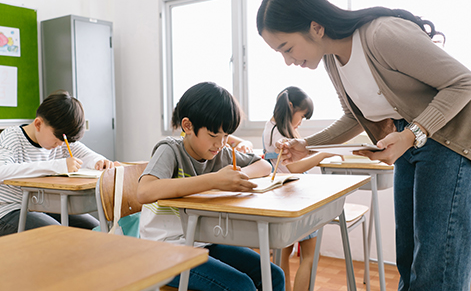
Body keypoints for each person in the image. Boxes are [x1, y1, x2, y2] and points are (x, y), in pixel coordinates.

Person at [257, 0, 471, 291]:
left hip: (454, 138)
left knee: (438, 267)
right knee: (408, 262)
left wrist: (410, 134)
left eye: (286, 48)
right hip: (413, 144)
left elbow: (464, 83)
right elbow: (355, 118)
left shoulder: (381, 35)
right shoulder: (332, 61)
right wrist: (307, 144)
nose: (288, 60)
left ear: (315, 27)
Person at [137, 81, 285, 291]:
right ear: (188, 126)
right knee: (241, 286)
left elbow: (263, 165)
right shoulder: (170, 150)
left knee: (273, 275)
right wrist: (214, 180)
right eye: (214, 135)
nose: (221, 143)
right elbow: (144, 191)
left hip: (201, 241)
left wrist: (237, 176)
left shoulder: (220, 152)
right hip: (161, 250)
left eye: (226, 136)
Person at [0, 90, 119, 236]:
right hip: (9, 212)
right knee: (60, 234)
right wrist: (56, 166)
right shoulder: (12, 137)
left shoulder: (61, 140)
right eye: (57, 141)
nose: (60, 145)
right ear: (38, 124)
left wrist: (99, 161)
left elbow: (88, 156)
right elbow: (2, 171)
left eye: (63, 142)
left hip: (44, 207)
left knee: (97, 230)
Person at [263, 86, 334, 291]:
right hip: (295, 195)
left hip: (282, 196)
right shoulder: (280, 134)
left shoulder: (273, 127)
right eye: (302, 116)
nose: (301, 121)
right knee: (310, 256)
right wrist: (323, 154)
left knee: (283, 253)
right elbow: (295, 167)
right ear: (291, 107)